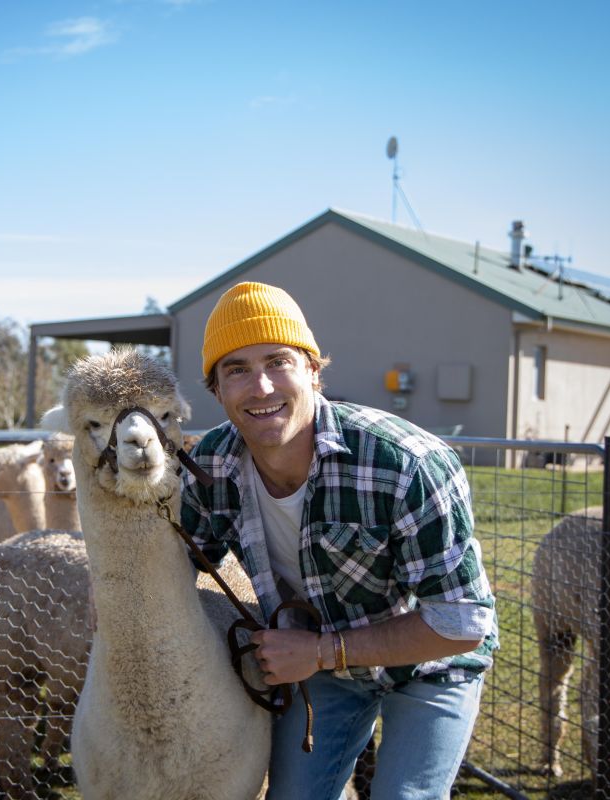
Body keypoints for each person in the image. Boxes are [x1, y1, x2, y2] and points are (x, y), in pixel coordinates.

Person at [181, 281, 498, 800]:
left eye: (278, 361)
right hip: (326, 669)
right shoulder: (211, 467)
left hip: (431, 664)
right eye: (236, 369)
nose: (260, 387)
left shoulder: (408, 465)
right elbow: (178, 562)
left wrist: (322, 652)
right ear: (216, 390)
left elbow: (462, 622)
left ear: (313, 371)